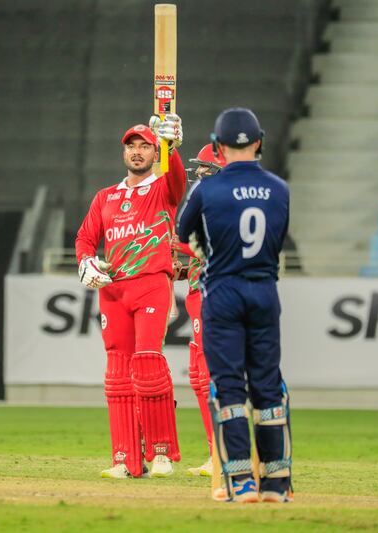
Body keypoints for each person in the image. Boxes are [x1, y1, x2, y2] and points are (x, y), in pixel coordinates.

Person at [177, 108, 293, 503]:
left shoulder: (207, 189)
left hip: (223, 291)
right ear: (259, 141)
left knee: (228, 386)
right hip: (264, 290)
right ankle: (277, 482)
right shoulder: (280, 188)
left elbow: (182, 232)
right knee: (267, 386)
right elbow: (276, 240)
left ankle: (240, 480)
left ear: (219, 146)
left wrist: (210, 251)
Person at [75, 114, 186, 479]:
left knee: (149, 365)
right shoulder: (106, 197)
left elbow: (178, 182)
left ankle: (161, 453)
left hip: (151, 283)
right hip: (114, 289)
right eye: (131, 147)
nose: (137, 153)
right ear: (124, 152)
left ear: (155, 153)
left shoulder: (162, 189)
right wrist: (86, 262)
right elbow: (85, 239)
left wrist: (172, 147)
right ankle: (124, 458)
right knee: (118, 374)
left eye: (145, 147)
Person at [172, 143, 226, 477]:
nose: (200, 174)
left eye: (207, 168)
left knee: (211, 377)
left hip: (212, 295)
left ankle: (224, 454)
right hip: (198, 292)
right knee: (199, 378)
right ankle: (216, 453)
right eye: (200, 168)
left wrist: (164, 237)